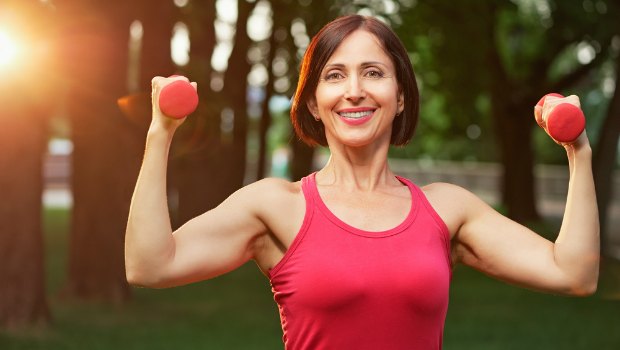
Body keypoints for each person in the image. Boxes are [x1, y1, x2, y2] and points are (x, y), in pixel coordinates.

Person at [125, 14, 599, 350]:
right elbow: (150, 265)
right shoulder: (276, 206)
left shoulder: (448, 210)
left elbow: (573, 273)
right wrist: (160, 131)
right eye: (335, 75)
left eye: (373, 73)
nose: (354, 90)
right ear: (314, 101)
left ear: (399, 97)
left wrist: (578, 153)